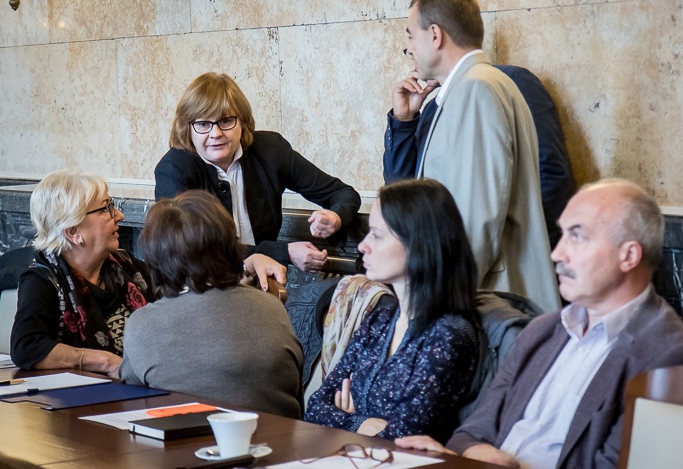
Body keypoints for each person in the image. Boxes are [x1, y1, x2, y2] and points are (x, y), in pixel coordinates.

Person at [396, 179, 683, 468]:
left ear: (628, 256)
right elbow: (471, 433)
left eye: (577, 237)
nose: (557, 254)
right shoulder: (542, 330)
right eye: (562, 235)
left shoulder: (672, 355)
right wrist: (475, 455)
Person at [382, 0, 559, 313]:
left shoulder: (476, 90)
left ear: (435, 35)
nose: (409, 49)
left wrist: (440, 305)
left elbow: (476, 220)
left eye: (411, 36)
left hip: (492, 300)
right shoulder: (474, 87)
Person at [305, 179, 478, 442]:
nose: (362, 246)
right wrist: (363, 422)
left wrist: (347, 420)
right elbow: (316, 407)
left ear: (418, 243)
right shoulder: (380, 319)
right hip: (357, 456)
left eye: (376, 235)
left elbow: (406, 437)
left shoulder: (448, 336)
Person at [119, 190, 304, 418]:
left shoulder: (143, 323)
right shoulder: (272, 306)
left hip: (183, 438)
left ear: (156, 256)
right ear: (230, 244)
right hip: (282, 436)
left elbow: (131, 404)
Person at [155, 72, 361, 272]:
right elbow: (192, 249)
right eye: (202, 124)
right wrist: (283, 252)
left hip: (262, 283)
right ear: (187, 128)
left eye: (226, 121)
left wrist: (336, 216)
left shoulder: (271, 151)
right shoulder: (174, 169)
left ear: (243, 121)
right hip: (201, 285)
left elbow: (343, 193)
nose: (215, 133)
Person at [10, 169, 152, 378]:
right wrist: (105, 362)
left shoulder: (127, 266)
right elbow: (27, 347)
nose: (120, 216)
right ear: (73, 232)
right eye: (106, 209)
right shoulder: (44, 280)